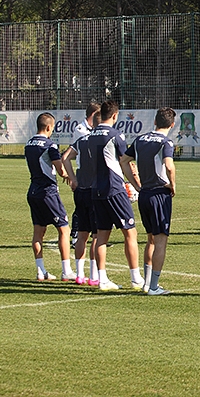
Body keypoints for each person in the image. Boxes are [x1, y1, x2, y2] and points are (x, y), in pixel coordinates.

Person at [87, 100, 145, 291]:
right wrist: (136, 185)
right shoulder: (115, 135)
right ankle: (136, 278)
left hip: (96, 189)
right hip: (114, 188)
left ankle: (102, 279)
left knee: (101, 235)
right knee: (130, 232)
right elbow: (125, 162)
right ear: (114, 115)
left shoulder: (90, 136)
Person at [121, 107, 177, 295]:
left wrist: (136, 185)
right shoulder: (166, 142)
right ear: (172, 124)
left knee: (151, 239)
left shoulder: (140, 139)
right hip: (159, 195)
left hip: (144, 194)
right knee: (161, 240)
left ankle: (146, 283)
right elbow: (169, 166)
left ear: (155, 121)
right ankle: (153, 286)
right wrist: (172, 184)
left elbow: (124, 161)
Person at [25, 113, 74, 281]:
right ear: (48, 127)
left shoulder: (29, 143)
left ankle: (41, 271)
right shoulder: (50, 146)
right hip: (48, 192)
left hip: (33, 191)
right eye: (52, 127)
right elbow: (60, 170)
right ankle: (66, 270)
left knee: (39, 231)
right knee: (64, 228)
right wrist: (69, 176)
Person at [61, 105, 102, 286]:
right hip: (95, 189)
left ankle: (79, 275)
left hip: (81, 188)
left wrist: (73, 179)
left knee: (82, 235)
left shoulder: (82, 140)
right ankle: (94, 276)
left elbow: (64, 158)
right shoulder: (101, 140)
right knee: (97, 234)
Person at [69, 102, 101, 248]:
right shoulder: (81, 129)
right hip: (83, 170)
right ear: (94, 115)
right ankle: (75, 234)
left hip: (93, 170)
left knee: (92, 206)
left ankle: (97, 235)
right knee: (82, 205)